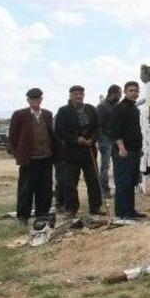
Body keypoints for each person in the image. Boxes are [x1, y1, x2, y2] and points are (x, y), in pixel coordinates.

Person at [8, 88, 59, 226]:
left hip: (46, 158)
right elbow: (12, 137)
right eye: (32, 99)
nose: (34, 101)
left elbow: (52, 135)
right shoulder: (19, 115)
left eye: (37, 99)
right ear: (28, 100)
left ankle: (42, 215)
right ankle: (23, 217)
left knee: (45, 189)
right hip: (29, 160)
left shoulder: (48, 114)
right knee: (26, 189)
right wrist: (16, 154)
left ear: (41, 100)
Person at [55, 85, 103, 218]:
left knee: (93, 181)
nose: (78, 96)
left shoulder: (91, 109)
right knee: (70, 182)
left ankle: (95, 207)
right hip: (71, 152)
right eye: (75, 94)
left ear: (83, 95)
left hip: (89, 151)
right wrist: (76, 139)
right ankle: (71, 209)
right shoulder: (64, 111)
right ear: (70, 96)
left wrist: (92, 139)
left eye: (80, 94)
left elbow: (98, 128)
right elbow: (59, 131)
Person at [111, 81, 146, 220]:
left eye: (136, 91)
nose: (134, 93)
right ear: (125, 92)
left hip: (134, 151)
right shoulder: (119, 108)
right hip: (123, 151)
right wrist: (121, 148)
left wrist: (140, 148)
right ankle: (122, 213)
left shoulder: (134, 108)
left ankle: (130, 211)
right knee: (123, 182)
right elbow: (115, 130)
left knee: (132, 182)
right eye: (131, 91)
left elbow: (135, 131)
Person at [96, 84, 122, 198]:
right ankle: (104, 190)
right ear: (114, 94)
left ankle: (119, 189)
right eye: (119, 94)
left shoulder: (116, 105)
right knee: (105, 167)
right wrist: (102, 139)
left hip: (116, 140)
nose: (120, 96)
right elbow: (99, 125)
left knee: (118, 165)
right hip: (106, 140)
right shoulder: (102, 107)